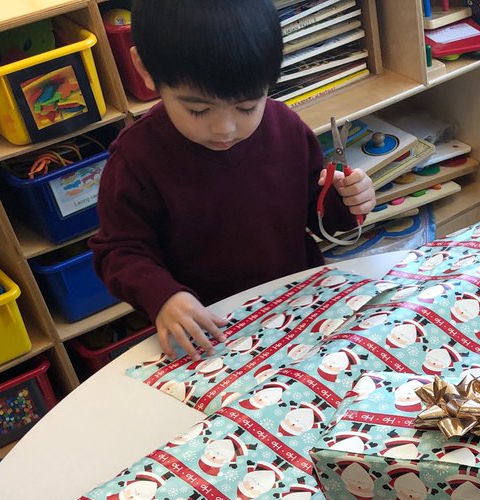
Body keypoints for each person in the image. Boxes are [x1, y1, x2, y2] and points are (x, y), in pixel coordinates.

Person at [90, 0, 375, 361]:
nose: (224, 129)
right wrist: (163, 297)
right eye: (197, 110)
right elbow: (118, 251)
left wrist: (348, 201)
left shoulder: (285, 128)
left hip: (300, 308)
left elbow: (322, 219)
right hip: (209, 332)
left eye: (246, 107)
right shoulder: (137, 159)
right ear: (145, 70)